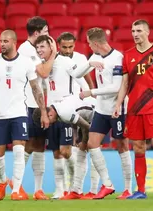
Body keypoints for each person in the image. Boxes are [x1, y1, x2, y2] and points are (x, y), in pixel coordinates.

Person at [63, 27, 132, 200]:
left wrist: (91, 92)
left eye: (89, 43)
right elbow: (75, 73)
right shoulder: (94, 57)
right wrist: (88, 64)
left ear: (95, 43)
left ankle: (128, 189)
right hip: (101, 110)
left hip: (117, 109)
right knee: (92, 144)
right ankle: (107, 184)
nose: (88, 46)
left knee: (122, 146)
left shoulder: (117, 58)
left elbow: (116, 88)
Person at [113, 19, 153, 199]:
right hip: (134, 109)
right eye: (133, 31)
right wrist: (118, 104)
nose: (135, 34)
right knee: (139, 148)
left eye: (139, 30)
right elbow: (125, 83)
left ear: (148, 32)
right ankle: (141, 190)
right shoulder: (127, 55)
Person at [0, 30, 49, 201]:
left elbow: (35, 88)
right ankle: (3, 181)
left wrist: (43, 111)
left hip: (19, 113)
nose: (2, 44)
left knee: (19, 150)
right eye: (0, 41)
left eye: (5, 41)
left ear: (14, 42)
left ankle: (16, 190)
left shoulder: (26, 63)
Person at [35, 35, 90, 199]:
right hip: (52, 113)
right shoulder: (45, 65)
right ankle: (61, 190)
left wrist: (85, 98)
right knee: (56, 152)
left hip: (66, 111)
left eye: (42, 47)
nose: (39, 51)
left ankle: (75, 185)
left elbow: (82, 82)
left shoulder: (66, 62)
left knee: (66, 151)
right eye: (38, 48)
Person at [56, 32, 101, 197]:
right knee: (70, 150)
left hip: (84, 106)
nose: (68, 50)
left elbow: (86, 79)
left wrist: (93, 95)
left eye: (70, 47)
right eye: (64, 47)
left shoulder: (81, 58)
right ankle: (73, 188)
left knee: (91, 146)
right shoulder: (55, 61)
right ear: (58, 45)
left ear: (75, 45)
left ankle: (94, 190)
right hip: (66, 109)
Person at [17, 16, 53, 200]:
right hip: (26, 103)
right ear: (37, 33)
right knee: (28, 144)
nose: (49, 36)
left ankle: (38, 189)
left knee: (39, 144)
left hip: (38, 103)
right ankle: (17, 186)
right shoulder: (25, 49)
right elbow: (44, 72)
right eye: (46, 32)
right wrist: (53, 52)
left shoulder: (36, 50)